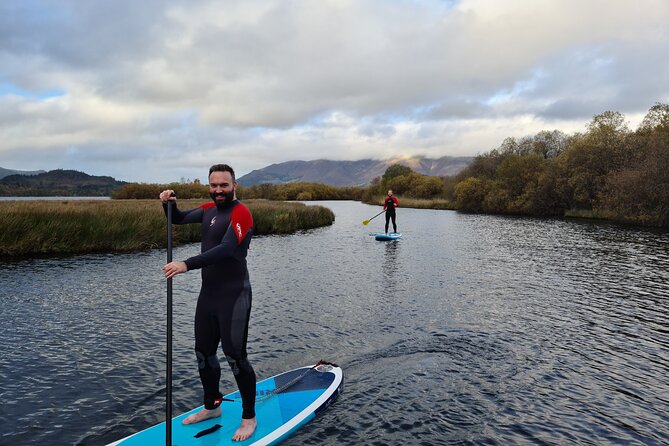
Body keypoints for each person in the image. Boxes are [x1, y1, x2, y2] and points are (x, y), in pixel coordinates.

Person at [160, 164, 257, 442]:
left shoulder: (242, 213)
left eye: (223, 185)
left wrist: (185, 264)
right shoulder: (207, 210)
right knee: (203, 353)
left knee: (235, 356)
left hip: (234, 295)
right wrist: (169, 203)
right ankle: (212, 406)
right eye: (213, 185)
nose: (218, 191)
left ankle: (249, 417)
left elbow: (227, 249)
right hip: (209, 296)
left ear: (234, 185)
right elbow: (175, 218)